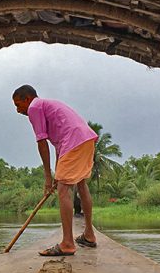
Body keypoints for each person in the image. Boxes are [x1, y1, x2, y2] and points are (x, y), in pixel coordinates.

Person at [12, 84, 98, 256]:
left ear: (27, 99)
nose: (18, 110)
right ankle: (89, 235)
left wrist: (48, 178)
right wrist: (58, 173)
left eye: (18, 105)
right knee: (81, 184)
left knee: (63, 190)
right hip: (86, 139)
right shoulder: (47, 105)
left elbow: (42, 143)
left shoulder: (35, 107)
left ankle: (67, 244)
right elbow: (59, 145)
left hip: (74, 141)